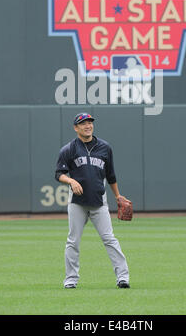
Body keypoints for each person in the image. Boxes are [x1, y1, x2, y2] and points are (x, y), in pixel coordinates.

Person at [55, 112, 130, 289]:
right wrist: (71, 181)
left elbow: (111, 175)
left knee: (110, 239)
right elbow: (59, 174)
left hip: (99, 203)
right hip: (77, 203)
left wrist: (118, 196)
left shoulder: (105, 147)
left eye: (90, 123)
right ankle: (71, 279)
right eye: (83, 123)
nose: (88, 126)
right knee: (73, 241)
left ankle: (123, 278)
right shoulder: (69, 149)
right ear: (76, 128)